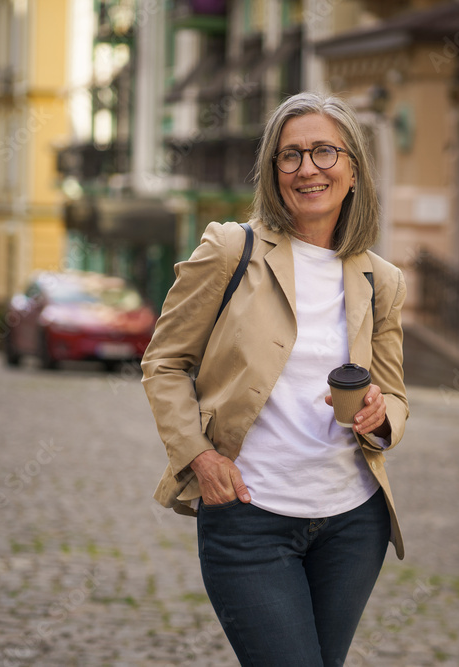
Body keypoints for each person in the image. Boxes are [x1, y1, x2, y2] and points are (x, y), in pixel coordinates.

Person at [141, 91, 408, 666]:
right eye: (290, 156)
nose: (307, 168)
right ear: (273, 171)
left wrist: (382, 417)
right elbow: (164, 363)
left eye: (324, 152)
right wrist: (199, 457)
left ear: (354, 169)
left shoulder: (380, 280)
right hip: (248, 520)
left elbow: (398, 396)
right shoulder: (229, 249)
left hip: (352, 524)